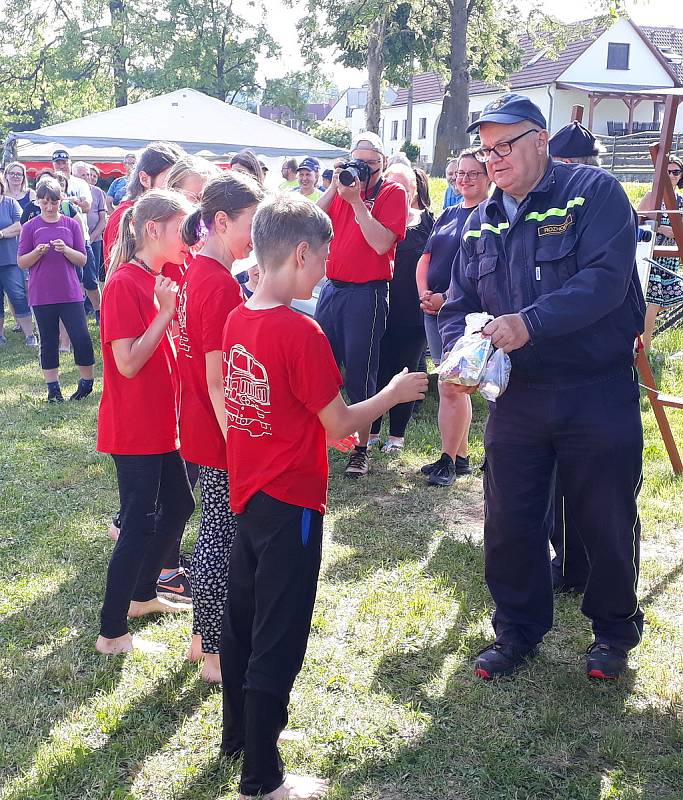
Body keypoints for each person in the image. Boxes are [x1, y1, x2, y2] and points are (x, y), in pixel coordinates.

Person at [220, 193, 427, 800]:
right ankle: (262, 776)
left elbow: (283, 407)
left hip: (249, 495)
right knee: (277, 634)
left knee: (243, 620)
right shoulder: (300, 329)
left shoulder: (241, 317)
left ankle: (237, 735)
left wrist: (318, 425)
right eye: (324, 261)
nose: (326, 274)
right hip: (290, 503)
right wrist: (391, 392)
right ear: (302, 253)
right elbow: (341, 422)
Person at [438, 93, 645, 681]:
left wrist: (529, 323)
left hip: (593, 387)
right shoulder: (482, 220)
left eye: (506, 145)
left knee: (603, 515)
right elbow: (461, 304)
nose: (495, 159)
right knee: (510, 517)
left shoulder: (594, 194)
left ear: (540, 140)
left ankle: (612, 631)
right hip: (520, 396)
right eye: (486, 148)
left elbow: (606, 281)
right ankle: (517, 630)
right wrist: (462, 350)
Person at [95, 189, 196, 656]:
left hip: (160, 424)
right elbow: (129, 363)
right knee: (138, 521)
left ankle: (141, 596)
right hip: (135, 428)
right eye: (181, 228)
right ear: (152, 229)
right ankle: (111, 631)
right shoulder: (123, 285)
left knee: (178, 506)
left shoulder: (156, 278)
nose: (188, 236)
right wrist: (164, 314)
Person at [177, 171, 264, 683]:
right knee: (219, 537)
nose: (255, 236)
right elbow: (217, 381)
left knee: (216, 530)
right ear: (221, 221)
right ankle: (213, 652)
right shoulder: (213, 284)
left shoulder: (203, 274)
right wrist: (240, 444)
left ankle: (197, 641)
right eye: (251, 224)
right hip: (216, 431)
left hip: (203, 426)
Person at [315, 131, 409, 477]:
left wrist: (356, 202)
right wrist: (335, 184)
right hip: (333, 288)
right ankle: (320, 436)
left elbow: (382, 243)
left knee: (360, 370)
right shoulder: (344, 185)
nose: (363, 171)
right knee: (320, 365)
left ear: (382, 163)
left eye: (371, 164)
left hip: (366, 292)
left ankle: (361, 447)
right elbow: (309, 220)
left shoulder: (391, 192)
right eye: (359, 162)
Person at [415, 148, 489, 485]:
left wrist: (447, 298)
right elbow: (426, 257)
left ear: (488, 177)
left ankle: (447, 460)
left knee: (451, 386)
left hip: (465, 313)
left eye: (473, 173)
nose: (464, 179)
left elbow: (479, 269)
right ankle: (460, 458)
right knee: (452, 386)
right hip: (435, 312)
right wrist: (425, 295)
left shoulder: (491, 215)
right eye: (460, 173)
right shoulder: (447, 214)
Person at [369, 164, 433, 451]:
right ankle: (370, 432)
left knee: (406, 372)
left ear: (413, 191)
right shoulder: (373, 221)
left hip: (412, 314)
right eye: (389, 187)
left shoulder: (429, 223)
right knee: (377, 371)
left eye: (402, 188)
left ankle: (396, 436)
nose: (395, 193)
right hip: (377, 310)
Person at [17, 178, 95, 402]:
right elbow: (22, 262)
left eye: (54, 202)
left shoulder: (71, 224)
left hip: (70, 292)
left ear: (61, 201)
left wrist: (66, 250)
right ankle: (53, 388)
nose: (50, 207)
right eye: (45, 203)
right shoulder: (31, 226)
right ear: (38, 202)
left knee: (80, 337)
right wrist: (37, 253)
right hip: (42, 294)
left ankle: (86, 382)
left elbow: (82, 259)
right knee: (48, 341)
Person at [102, 141, 185, 274]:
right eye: (170, 181)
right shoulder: (125, 216)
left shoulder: (174, 213)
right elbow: (123, 279)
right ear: (144, 179)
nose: (178, 190)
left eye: (180, 182)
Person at [637, 155, 683, 351]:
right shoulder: (652, 197)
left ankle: (644, 339)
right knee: (653, 303)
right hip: (653, 254)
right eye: (668, 171)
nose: (671, 175)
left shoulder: (680, 201)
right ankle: (645, 349)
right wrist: (661, 229)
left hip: (671, 257)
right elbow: (636, 220)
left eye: (676, 172)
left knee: (672, 297)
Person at [0, 174, 35, 346]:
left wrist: (1, 233)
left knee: (18, 295)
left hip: (9, 259)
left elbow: (21, 225)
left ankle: (30, 334)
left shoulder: (10, 203)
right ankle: (0, 336)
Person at [72, 161, 105, 321]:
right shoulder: (65, 184)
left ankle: (99, 312)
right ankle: (81, 310)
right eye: (82, 175)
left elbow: (100, 217)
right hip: (72, 240)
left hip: (91, 239)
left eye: (88, 175)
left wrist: (92, 237)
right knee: (75, 279)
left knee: (91, 278)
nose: (86, 178)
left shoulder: (96, 192)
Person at [83, 163, 108, 289]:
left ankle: (93, 306)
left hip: (95, 239)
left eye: (91, 175)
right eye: (85, 175)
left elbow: (103, 220)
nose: (89, 178)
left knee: (93, 275)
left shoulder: (98, 192)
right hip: (77, 240)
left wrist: (92, 237)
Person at [51, 149, 92, 213]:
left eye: (64, 163)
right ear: (53, 165)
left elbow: (86, 207)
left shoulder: (81, 183)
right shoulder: (49, 183)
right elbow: (47, 207)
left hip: (77, 222)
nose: (61, 166)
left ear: (70, 163)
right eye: (58, 164)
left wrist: (59, 201)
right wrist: (74, 200)